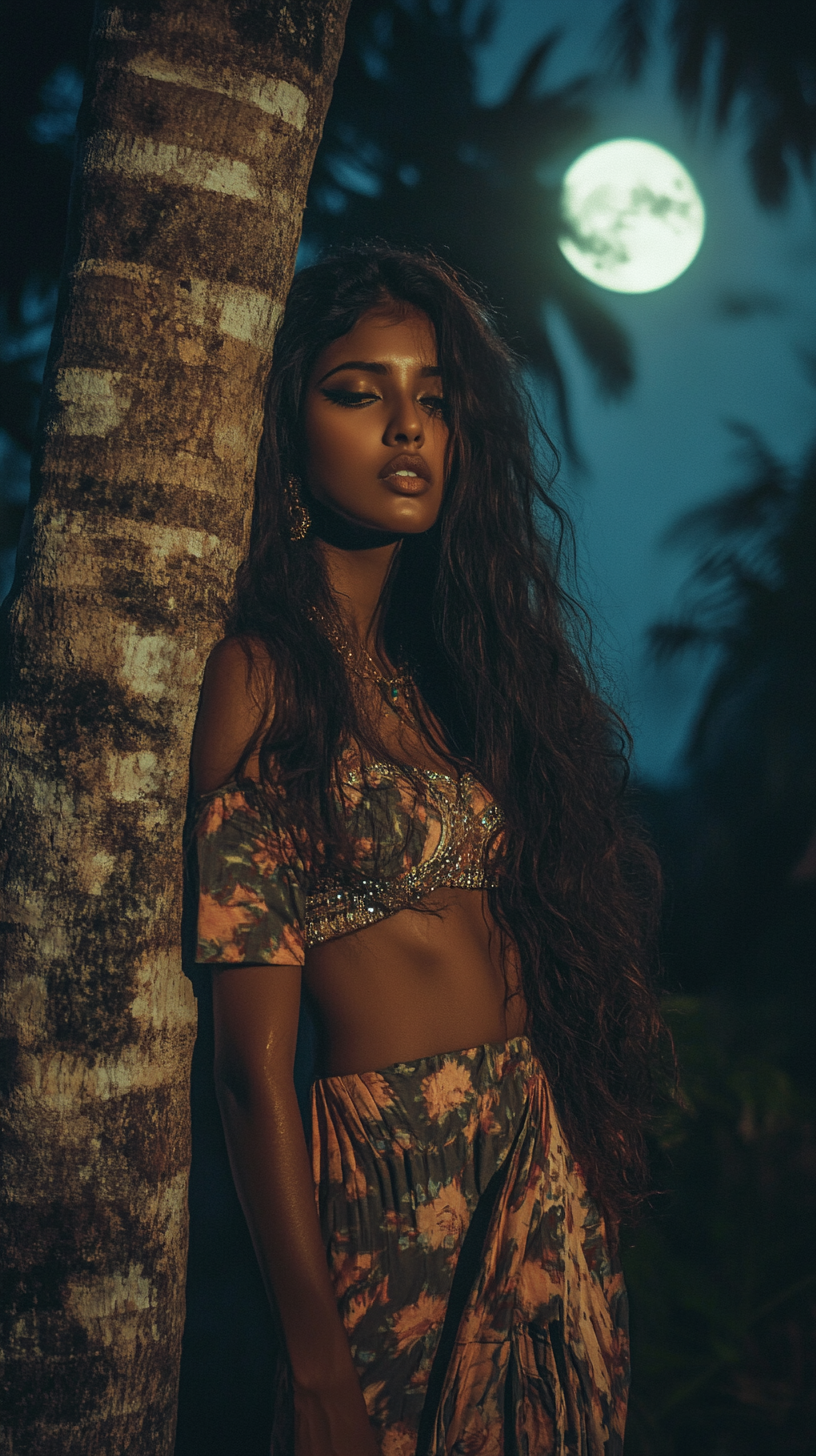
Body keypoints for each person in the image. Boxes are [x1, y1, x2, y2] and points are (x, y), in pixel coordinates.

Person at [190, 246, 666, 1456]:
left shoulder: (442, 678)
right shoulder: (257, 677)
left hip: (532, 1153)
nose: (408, 427)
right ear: (286, 422)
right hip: (395, 1173)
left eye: (436, 398)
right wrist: (312, 1361)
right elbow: (249, 1068)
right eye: (359, 391)